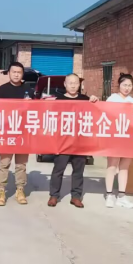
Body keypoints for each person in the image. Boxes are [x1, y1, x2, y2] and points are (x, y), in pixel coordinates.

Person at [48, 74, 99, 208]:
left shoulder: (85, 100)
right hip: (63, 142)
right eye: (70, 83)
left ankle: (76, 196)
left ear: (79, 84)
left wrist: (94, 100)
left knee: (78, 171)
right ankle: (54, 195)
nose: (73, 85)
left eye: (75, 83)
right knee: (58, 170)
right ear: (65, 84)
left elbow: (96, 114)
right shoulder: (58, 100)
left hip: (80, 142)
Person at [0, 61, 32, 206]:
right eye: (14, 72)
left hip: (23, 132)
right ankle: (1, 191)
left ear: (22, 74)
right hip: (7, 132)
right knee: (4, 163)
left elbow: (35, 111)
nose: (16, 74)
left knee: (21, 164)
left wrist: (31, 104)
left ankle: (20, 190)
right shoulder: (2, 90)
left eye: (19, 72)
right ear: (9, 73)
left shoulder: (28, 89)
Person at [104, 73, 133, 209]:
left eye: (130, 85)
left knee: (124, 167)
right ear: (119, 85)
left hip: (129, 138)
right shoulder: (112, 99)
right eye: (124, 85)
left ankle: (122, 196)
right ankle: (109, 195)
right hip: (115, 137)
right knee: (112, 166)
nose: (127, 88)